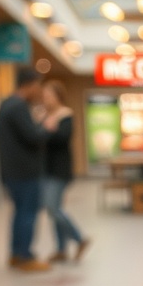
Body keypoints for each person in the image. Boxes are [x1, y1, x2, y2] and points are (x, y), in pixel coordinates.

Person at [0, 66, 49, 271]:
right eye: (38, 86)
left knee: (19, 213)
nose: (39, 91)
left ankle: (16, 253)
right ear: (29, 85)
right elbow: (33, 137)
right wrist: (45, 126)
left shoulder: (5, 104)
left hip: (11, 171)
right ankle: (26, 256)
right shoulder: (19, 107)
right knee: (28, 214)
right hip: (25, 171)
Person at [41, 80, 90, 262]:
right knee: (56, 208)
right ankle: (61, 249)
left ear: (58, 96)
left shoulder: (65, 116)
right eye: (44, 96)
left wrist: (47, 130)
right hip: (46, 169)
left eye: (48, 95)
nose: (45, 99)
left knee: (52, 208)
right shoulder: (45, 116)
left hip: (59, 169)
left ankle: (79, 238)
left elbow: (62, 138)